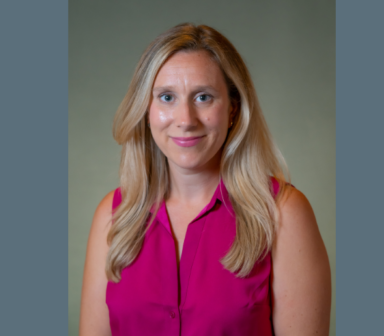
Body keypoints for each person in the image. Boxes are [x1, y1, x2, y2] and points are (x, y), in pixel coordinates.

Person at [79, 23, 331, 336]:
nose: (185, 120)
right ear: (147, 111)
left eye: (203, 97)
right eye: (167, 97)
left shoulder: (283, 214)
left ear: (233, 110)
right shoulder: (113, 214)